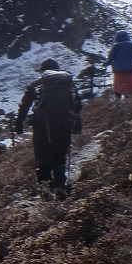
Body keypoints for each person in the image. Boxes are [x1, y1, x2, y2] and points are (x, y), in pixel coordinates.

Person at [16, 58, 84, 198]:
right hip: (64, 124)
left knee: (42, 158)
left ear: (42, 71)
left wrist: (19, 123)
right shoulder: (68, 83)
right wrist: (77, 125)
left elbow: (25, 105)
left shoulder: (37, 84)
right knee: (60, 157)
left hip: (42, 126)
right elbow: (77, 106)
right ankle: (60, 188)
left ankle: (45, 191)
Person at [110, 31, 132, 99]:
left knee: (118, 86)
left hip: (118, 70)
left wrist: (105, 64)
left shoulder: (116, 46)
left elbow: (110, 58)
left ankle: (118, 101)